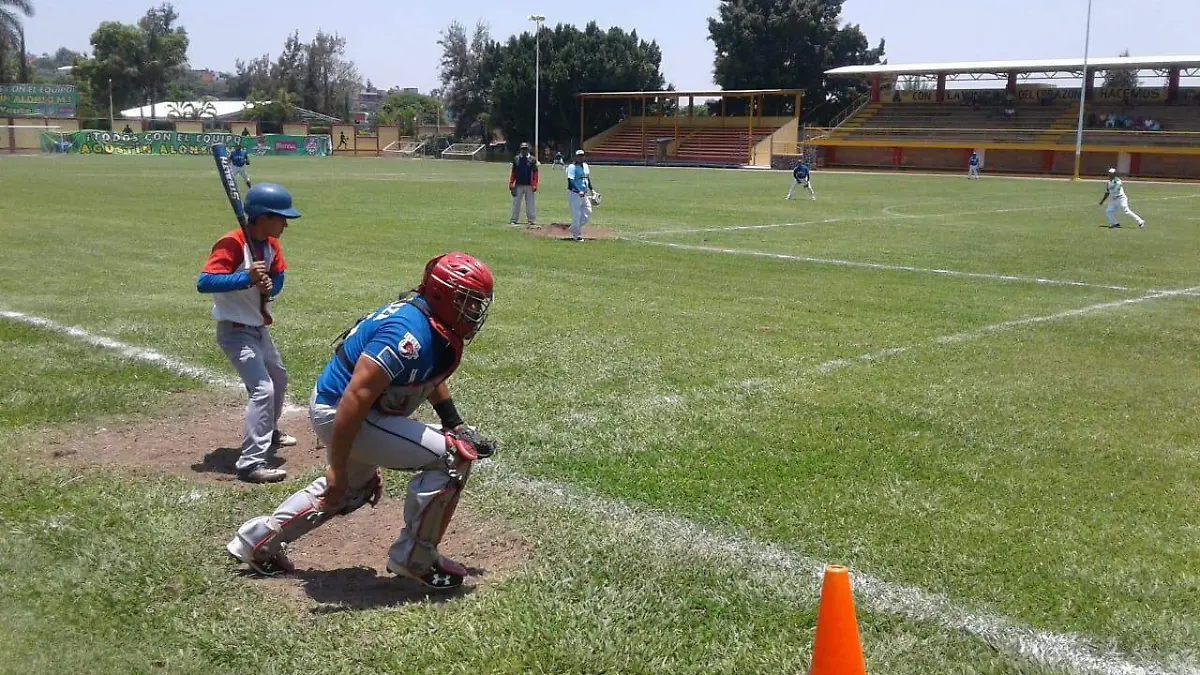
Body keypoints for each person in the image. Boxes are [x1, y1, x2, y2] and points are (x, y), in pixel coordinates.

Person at [225, 253, 498, 591]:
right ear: (442, 294)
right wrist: (337, 468)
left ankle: (257, 541)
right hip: (344, 411)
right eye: (466, 301)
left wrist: (453, 422)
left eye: (477, 303)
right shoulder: (406, 334)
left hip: (348, 409)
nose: (473, 311)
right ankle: (415, 557)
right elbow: (354, 399)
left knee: (352, 489)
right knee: (452, 457)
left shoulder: (427, 320)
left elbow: (426, 376)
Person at [197, 184, 302, 483]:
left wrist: (270, 286)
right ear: (263, 217)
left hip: (258, 328)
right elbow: (204, 282)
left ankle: (268, 430)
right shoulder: (232, 244)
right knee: (262, 389)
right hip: (235, 330)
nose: (285, 225)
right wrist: (246, 278)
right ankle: (250, 463)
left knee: (278, 379)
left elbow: (278, 276)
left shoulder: (270, 245)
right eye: (281, 218)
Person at [566, 150, 594, 241]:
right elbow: (570, 181)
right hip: (574, 193)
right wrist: (578, 191)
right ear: (575, 157)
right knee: (577, 214)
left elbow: (587, 178)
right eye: (579, 156)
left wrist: (592, 190)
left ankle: (574, 228)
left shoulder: (585, 166)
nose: (581, 157)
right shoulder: (572, 167)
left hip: (584, 193)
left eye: (582, 156)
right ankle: (576, 235)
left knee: (588, 212)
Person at [509, 142, 539, 227]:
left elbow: (535, 173)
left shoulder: (532, 159)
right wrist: (511, 183)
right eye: (522, 149)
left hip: (529, 185)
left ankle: (531, 220)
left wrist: (535, 184)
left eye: (525, 149)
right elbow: (513, 172)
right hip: (518, 184)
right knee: (516, 203)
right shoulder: (516, 159)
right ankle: (514, 219)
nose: (524, 150)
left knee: (530, 203)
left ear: (528, 149)